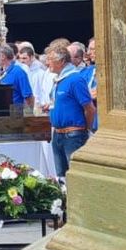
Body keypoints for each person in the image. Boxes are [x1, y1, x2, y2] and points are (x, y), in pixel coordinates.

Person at [46, 41, 95, 179]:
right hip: (58, 134)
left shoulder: (75, 79)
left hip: (73, 135)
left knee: (75, 176)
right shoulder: (58, 80)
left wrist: (85, 129)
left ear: (61, 61)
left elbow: (90, 108)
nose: (47, 63)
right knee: (61, 176)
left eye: (50, 60)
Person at [0, 44, 34, 109]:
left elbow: (28, 96)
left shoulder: (19, 72)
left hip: (15, 113)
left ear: (3, 56)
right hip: (0, 112)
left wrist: (29, 115)